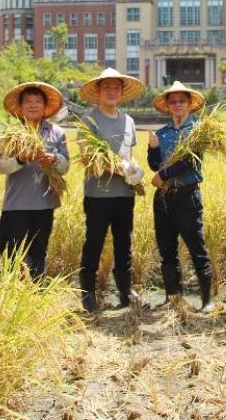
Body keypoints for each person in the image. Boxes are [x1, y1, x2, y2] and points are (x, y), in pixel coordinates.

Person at [77, 68, 146, 313]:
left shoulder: (128, 120)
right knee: (94, 242)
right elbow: (88, 158)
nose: (111, 92)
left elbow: (130, 155)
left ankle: (126, 291)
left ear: (121, 92)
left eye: (116, 88)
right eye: (107, 87)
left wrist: (134, 170)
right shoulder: (89, 120)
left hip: (124, 195)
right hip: (98, 195)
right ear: (98, 90)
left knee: (124, 244)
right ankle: (88, 294)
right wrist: (119, 168)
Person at [147, 81, 214, 312]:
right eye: (172, 101)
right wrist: (153, 149)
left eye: (181, 101)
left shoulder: (197, 130)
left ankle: (207, 300)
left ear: (189, 104)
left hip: (188, 196)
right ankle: (173, 298)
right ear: (167, 105)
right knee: (167, 249)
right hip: (164, 198)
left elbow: (191, 160)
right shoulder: (162, 133)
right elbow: (154, 164)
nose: (177, 105)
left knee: (197, 246)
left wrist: (163, 174)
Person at [0, 81, 70, 281]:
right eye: (28, 101)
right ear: (20, 107)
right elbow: (0, 166)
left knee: (38, 254)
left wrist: (54, 159)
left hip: (45, 205)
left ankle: (36, 294)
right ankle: (9, 296)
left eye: (38, 101)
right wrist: (21, 158)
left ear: (45, 107)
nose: (33, 105)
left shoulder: (56, 133)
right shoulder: (10, 134)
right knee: (11, 255)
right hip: (16, 205)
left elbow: (65, 167)